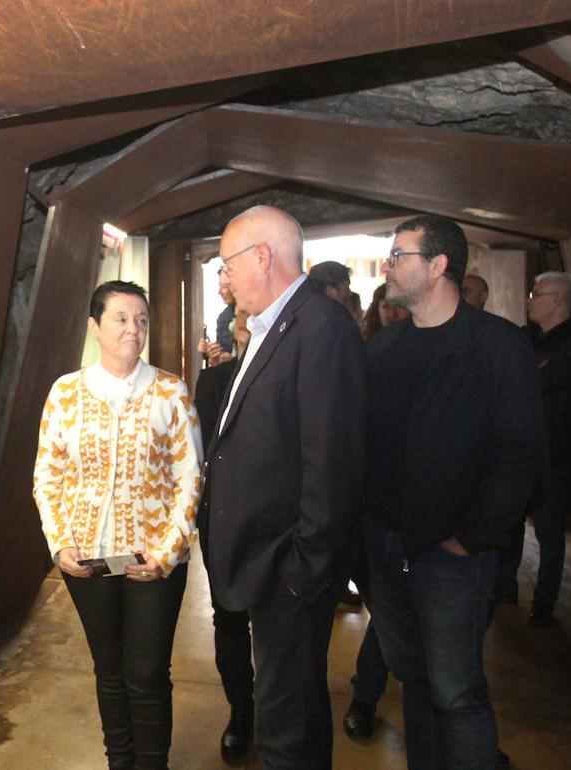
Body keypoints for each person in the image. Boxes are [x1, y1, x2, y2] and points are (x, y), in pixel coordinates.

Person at [364, 215, 544, 770]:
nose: (388, 266)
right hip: (385, 547)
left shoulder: (497, 345)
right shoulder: (386, 347)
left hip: (451, 554)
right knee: (414, 680)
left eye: (400, 256)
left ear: (438, 266)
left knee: (457, 693)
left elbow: (520, 454)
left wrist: (470, 538)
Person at [204, 205, 366, 769]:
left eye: (227, 265)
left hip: (289, 570)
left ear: (262, 257)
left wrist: (303, 569)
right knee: (294, 711)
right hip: (269, 561)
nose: (223, 280)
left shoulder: (320, 327)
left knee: (284, 729)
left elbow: (333, 463)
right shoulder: (278, 325)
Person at [33, 280, 202, 770]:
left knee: (146, 674)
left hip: (152, 560)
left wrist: (167, 554)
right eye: (121, 318)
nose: (134, 328)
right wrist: (59, 544)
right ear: (95, 326)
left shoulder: (171, 390)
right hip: (86, 559)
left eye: (141, 319)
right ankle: (119, 763)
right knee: (109, 671)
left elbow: (190, 476)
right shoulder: (65, 392)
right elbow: (48, 474)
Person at [496, 272, 571, 622]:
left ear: (558, 301)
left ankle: (544, 603)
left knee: (550, 530)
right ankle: (504, 589)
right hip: (519, 449)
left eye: (537, 294)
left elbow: (535, 383)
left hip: (553, 453)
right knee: (510, 523)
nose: (530, 300)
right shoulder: (526, 338)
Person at [193, 309, 255, 764]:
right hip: (225, 524)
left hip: (279, 526)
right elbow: (203, 456)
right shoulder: (215, 381)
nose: (247, 323)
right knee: (229, 619)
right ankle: (242, 712)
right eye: (241, 318)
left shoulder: (299, 371)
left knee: (279, 627)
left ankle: (275, 712)